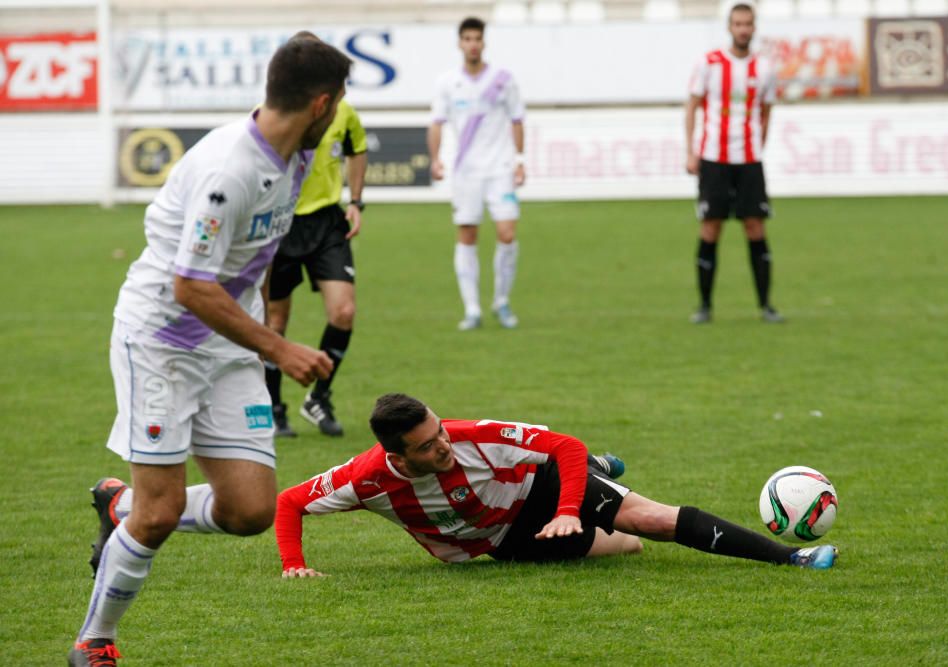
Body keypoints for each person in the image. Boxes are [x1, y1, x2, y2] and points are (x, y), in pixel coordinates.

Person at [67, 35, 352, 667]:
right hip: (162, 343)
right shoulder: (231, 171)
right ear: (321, 103)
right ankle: (95, 640)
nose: (337, 117)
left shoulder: (297, 157)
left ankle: (118, 505)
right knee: (161, 512)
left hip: (226, 346)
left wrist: (259, 334)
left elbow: (252, 257)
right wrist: (279, 347)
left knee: (251, 510)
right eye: (337, 106)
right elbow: (190, 285)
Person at [265, 393, 838, 575]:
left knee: (648, 521)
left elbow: (562, 444)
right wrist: (293, 566)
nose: (443, 446)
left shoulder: (472, 435)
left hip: (538, 491)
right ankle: (594, 479)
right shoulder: (365, 479)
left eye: (440, 433)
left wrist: (566, 506)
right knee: (628, 546)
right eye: (428, 446)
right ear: (396, 454)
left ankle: (792, 558)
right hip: (501, 544)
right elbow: (289, 502)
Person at [265, 98, 368, 438]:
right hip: (282, 224)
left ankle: (319, 396)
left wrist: (355, 200)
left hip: (327, 222)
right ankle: (273, 407)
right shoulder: (272, 111)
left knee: (344, 312)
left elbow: (358, 148)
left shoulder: (344, 111)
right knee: (274, 322)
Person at [684, 3, 783, 324]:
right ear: (729, 27)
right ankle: (704, 305)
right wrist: (691, 150)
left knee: (755, 226)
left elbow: (766, 112)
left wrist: (758, 146)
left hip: (749, 159)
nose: (742, 29)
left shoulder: (765, 68)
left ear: (754, 28)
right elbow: (692, 107)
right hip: (714, 158)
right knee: (711, 227)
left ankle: (765, 305)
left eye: (747, 24)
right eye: (737, 23)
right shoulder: (709, 64)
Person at [428, 16, 526, 331]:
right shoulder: (447, 82)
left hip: (499, 169)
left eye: (477, 39)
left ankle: (501, 301)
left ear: (484, 42)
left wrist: (520, 159)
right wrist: (436, 159)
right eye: (467, 38)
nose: (473, 44)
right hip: (466, 172)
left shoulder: (503, 79)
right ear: (460, 43)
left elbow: (517, 118)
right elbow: (437, 122)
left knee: (507, 234)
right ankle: (472, 309)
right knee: (467, 235)